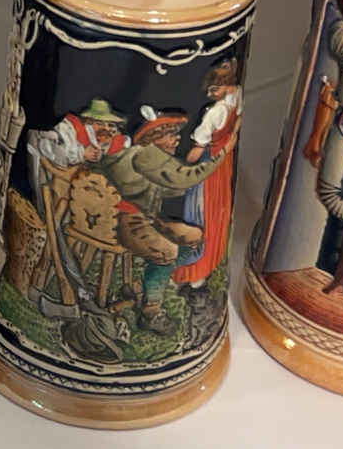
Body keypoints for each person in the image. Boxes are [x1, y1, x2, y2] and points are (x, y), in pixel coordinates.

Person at [100, 107, 228, 335]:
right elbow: (184, 178)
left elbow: (165, 188)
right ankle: (150, 312)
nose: (177, 139)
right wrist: (222, 153)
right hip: (127, 220)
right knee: (168, 252)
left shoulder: (146, 157)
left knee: (194, 237)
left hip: (146, 218)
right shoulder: (146, 155)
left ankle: (146, 286)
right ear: (155, 137)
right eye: (171, 134)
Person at [174, 59, 243, 291]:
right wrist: (231, 139)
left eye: (214, 89)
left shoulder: (215, 112)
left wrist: (182, 164)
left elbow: (195, 153)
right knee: (218, 213)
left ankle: (193, 270)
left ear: (225, 85)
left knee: (199, 214)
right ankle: (208, 266)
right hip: (224, 164)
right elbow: (239, 119)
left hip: (208, 169)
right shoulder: (236, 97)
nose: (209, 94)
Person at [30, 99, 131, 169]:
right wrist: (82, 153)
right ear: (88, 122)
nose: (106, 128)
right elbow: (51, 150)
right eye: (99, 123)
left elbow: (124, 142)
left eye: (110, 124)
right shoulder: (69, 128)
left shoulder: (106, 136)